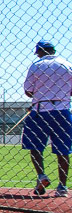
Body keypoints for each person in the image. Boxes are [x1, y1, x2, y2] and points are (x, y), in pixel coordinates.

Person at [21, 40, 72, 197]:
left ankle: (41, 176)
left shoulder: (36, 66)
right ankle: (62, 187)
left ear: (40, 52)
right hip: (62, 110)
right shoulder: (67, 65)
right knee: (63, 150)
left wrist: (41, 95)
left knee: (35, 147)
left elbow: (28, 91)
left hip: (40, 110)